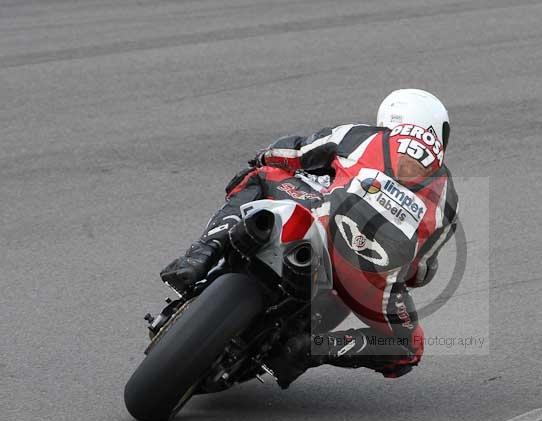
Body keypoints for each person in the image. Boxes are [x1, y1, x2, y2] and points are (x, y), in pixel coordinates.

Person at [160, 89, 459, 388]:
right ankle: (309, 350)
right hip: (369, 276)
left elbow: (294, 151)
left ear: (390, 118)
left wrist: (262, 158)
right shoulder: (449, 200)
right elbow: (420, 269)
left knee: (261, 175)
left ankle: (200, 256)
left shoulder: (363, 135)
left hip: (322, 219)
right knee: (407, 348)